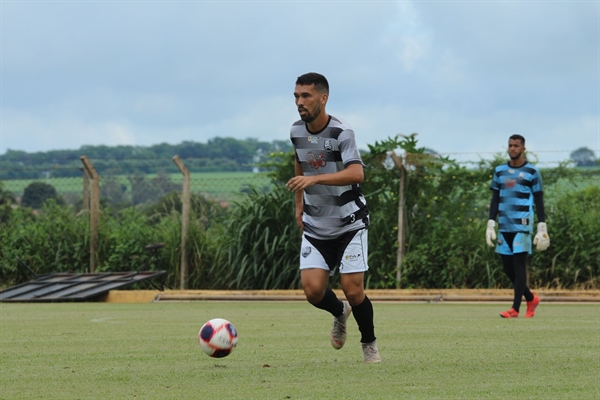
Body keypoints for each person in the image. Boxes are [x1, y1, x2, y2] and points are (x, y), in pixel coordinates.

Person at [285, 72, 381, 363]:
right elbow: (300, 163)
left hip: (349, 223)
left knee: (353, 289)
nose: (300, 102)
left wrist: (315, 181)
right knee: (313, 292)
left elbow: (357, 173)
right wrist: (299, 207)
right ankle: (340, 314)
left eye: (306, 96)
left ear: (323, 98)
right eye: (296, 97)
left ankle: (369, 344)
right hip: (316, 225)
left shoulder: (342, 133)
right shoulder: (296, 131)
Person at [486, 134, 550, 318]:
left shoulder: (532, 172)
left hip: (522, 225)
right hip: (503, 225)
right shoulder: (499, 171)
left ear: (523, 149)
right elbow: (495, 198)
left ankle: (515, 309)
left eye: (516, 146)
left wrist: (542, 226)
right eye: (510, 145)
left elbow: (539, 199)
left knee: (519, 266)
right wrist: (491, 223)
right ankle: (531, 298)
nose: (512, 148)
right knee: (507, 268)